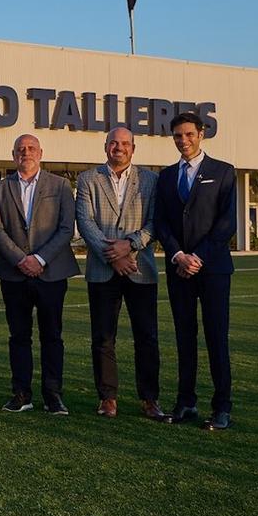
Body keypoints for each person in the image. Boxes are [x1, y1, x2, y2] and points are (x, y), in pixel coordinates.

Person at [154, 112, 237, 431]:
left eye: (189, 134)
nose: (183, 140)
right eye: (177, 136)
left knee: (216, 338)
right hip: (179, 270)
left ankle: (222, 407)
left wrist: (198, 257)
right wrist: (177, 255)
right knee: (184, 337)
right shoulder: (166, 176)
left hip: (213, 269)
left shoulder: (223, 171)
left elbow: (227, 223)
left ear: (201, 134)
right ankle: (185, 402)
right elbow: (161, 221)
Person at [75, 127, 165, 421]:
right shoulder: (88, 179)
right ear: (105, 146)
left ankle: (150, 399)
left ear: (133, 148)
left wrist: (131, 245)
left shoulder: (151, 179)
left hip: (141, 268)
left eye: (125, 143)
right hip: (103, 271)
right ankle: (107, 398)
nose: (119, 147)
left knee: (147, 337)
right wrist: (112, 256)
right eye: (114, 142)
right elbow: (85, 222)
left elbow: (155, 222)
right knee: (103, 337)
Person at [0, 134, 79, 415]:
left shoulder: (61, 185)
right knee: (19, 336)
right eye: (20, 149)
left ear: (41, 153)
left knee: (52, 336)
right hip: (14, 274)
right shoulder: (0, 188)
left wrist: (39, 259)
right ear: (13, 154)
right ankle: (21, 393)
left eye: (31, 149)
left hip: (51, 272)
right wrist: (20, 259)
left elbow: (66, 228)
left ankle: (53, 395)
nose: (26, 153)